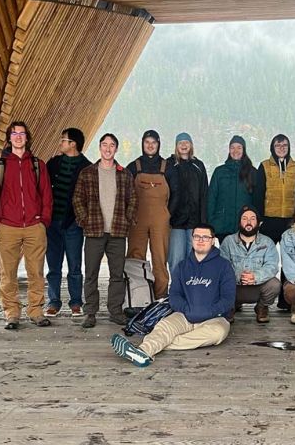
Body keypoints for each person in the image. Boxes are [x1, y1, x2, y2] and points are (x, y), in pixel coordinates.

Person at [110, 224, 236, 367]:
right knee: (164, 326)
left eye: (205, 237)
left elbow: (228, 299)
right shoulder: (182, 266)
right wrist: (187, 310)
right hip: (185, 315)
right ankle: (144, 352)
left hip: (214, 318)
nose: (201, 240)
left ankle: (157, 345)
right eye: (197, 236)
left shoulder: (224, 266)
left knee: (218, 333)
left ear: (213, 241)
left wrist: (209, 311)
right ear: (192, 239)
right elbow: (175, 295)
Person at [0, 121, 53, 330]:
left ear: (27, 138)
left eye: (22, 133)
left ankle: (36, 311)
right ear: (9, 138)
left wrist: (44, 221)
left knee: (36, 271)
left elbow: (46, 196)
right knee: (8, 272)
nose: (18, 137)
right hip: (8, 226)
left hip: (34, 225)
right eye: (14, 133)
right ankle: (12, 313)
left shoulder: (37, 165)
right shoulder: (0, 166)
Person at [73, 133, 137, 328]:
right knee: (91, 273)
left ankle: (115, 311)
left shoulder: (124, 174)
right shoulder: (87, 173)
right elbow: (77, 199)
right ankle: (90, 312)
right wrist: (84, 219)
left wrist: (127, 219)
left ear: (116, 149)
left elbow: (133, 199)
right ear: (99, 148)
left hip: (117, 231)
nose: (108, 148)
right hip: (94, 231)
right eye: (104, 145)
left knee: (117, 274)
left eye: (111, 145)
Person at [44, 127, 90, 318]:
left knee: (75, 266)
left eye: (64, 140)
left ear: (73, 144)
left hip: (73, 223)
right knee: (53, 265)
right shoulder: (53, 164)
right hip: (52, 223)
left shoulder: (86, 167)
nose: (61, 143)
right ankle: (54, 302)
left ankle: (76, 302)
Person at [255, 133, 295, 309]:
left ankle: (286, 300)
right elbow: (259, 193)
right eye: (278, 146)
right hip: (268, 219)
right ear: (272, 148)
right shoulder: (264, 166)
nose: (281, 149)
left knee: (290, 260)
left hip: (289, 221)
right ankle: (263, 299)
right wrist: (259, 218)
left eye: (284, 145)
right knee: (264, 259)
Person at [126, 130, 173, 298]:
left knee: (160, 259)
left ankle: (161, 296)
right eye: (147, 142)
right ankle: (136, 296)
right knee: (134, 258)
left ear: (159, 144)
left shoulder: (168, 167)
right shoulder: (133, 166)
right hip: (137, 219)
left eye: (154, 142)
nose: (150, 145)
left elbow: (176, 194)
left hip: (161, 220)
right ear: (142, 144)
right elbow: (125, 193)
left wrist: (169, 214)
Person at [219, 206, 281, 323]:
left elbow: (272, 266)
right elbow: (223, 266)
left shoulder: (267, 242)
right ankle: (230, 307)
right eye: (244, 218)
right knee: (219, 281)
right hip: (235, 288)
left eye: (252, 219)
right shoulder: (228, 241)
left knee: (275, 284)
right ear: (239, 222)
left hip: (257, 288)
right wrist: (240, 277)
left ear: (258, 223)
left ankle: (262, 307)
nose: (248, 222)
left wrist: (255, 277)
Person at [167, 132, 209, 274]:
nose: (184, 145)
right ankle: (176, 289)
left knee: (194, 258)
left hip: (194, 222)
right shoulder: (169, 164)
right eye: (180, 143)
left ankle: (192, 289)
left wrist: (203, 222)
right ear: (176, 146)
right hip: (175, 221)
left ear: (191, 145)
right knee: (176, 257)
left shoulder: (198, 165)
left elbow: (204, 194)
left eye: (186, 142)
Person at [207, 135, 255, 240]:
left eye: (239, 147)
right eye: (232, 147)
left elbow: (256, 199)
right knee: (224, 255)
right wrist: (211, 222)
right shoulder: (219, 171)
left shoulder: (252, 172)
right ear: (229, 150)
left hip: (244, 225)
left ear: (244, 150)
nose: (235, 150)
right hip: (222, 225)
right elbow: (211, 198)